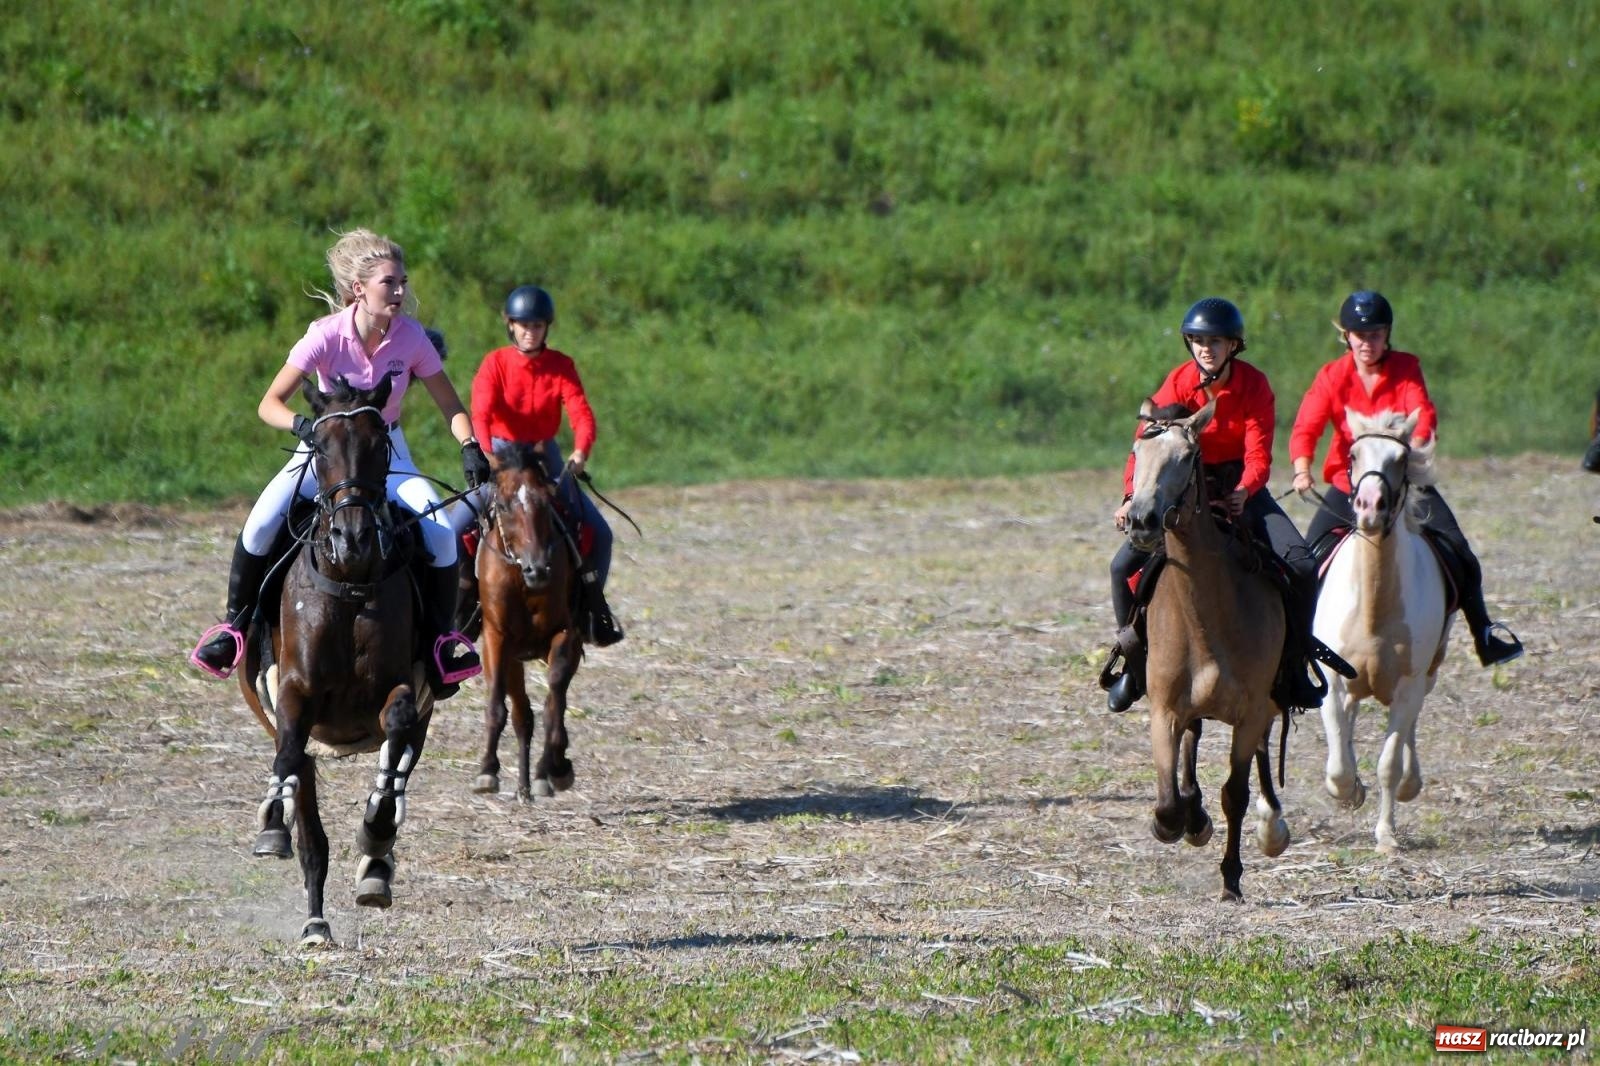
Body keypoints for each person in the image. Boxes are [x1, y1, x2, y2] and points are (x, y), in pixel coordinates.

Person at [189, 228, 486, 694]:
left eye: (403, 281)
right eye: (391, 283)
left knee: (443, 534)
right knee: (260, 523)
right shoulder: (324, 336)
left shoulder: (412, 339)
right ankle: (233, 630)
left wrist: (470, 445)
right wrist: (301, 427)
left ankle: (440, 643)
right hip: (324, 453)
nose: (402, 292)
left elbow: (451, 406)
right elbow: (269, 402)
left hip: (385, 452)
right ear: (359, 290)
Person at [1101, 297, 1349, 714]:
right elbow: (1145, 447)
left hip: (1239, 489)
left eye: (1215, 341)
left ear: (1233, 345)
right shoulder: (1176, 384)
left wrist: (1246, 489)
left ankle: (1296, 662)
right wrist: (1131, 495)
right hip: (1183, 491)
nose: (1205, 348)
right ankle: (1134, 663)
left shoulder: (1254, 386)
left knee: (1303, 565)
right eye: (1197, 341)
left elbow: (1258, 454)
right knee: (1120, 568)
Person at [1289, 289, 1523, 667]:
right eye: (1359, 334)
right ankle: (1295, 650)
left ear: (1387, 334)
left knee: (1460, 552)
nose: (1368, 342)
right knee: (1304, 562)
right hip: (1348, 486)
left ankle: (1484, 635)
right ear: (1346, 335)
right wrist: (1302, 467)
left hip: (1404, 483)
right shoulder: (1332, 376)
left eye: (1376, 334)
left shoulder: (1406, 368)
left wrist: (1412, 451)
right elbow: (1307, 425)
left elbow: (1423, 413)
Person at [459, 284, 623, 646]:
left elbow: (580, 412)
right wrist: (487, 454)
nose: (530, 331)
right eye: (522, 324)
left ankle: (591, 612)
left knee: (601, 533)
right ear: (511, 325)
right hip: (500, 455)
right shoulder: (495, 364)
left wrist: (580, 451)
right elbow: (481, 413)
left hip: (542, 454)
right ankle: (460, 613)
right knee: (456, 527)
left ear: (546, 327)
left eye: (537, 325)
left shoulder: (561, 366)